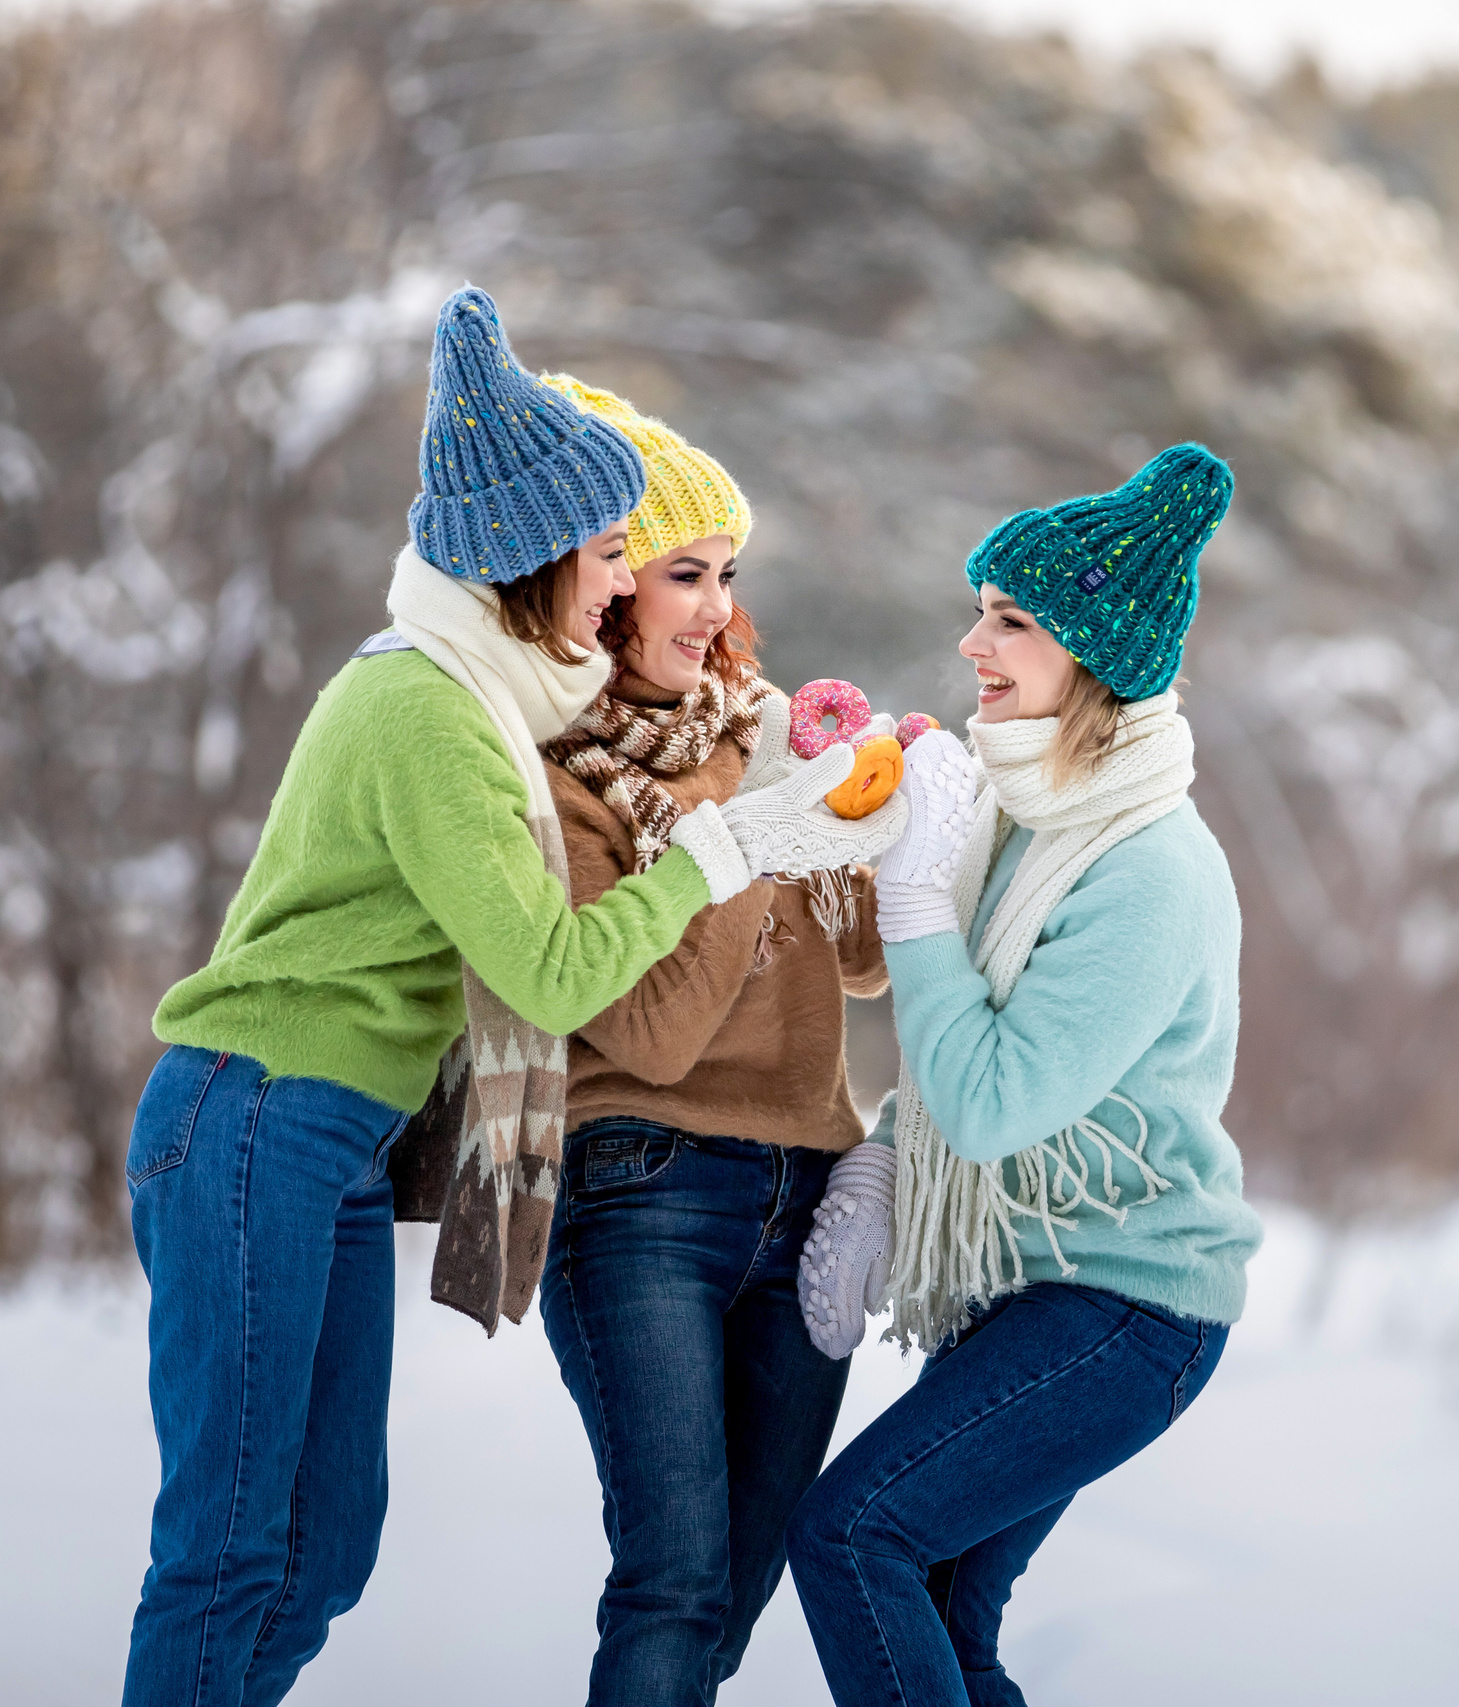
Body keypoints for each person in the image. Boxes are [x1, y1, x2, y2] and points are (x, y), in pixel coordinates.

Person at [119, 287, 889, 1707]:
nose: (627, 585)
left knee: (323, 1550)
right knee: (231, 1546)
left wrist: (805, 790)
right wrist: (727, 840)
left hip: (329, 1140)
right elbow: (552, 969)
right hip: (254, 1110)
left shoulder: (496, 702)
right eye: (613, 554)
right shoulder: (431, 711)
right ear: (537, 560)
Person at [786, 444, 1266, 1707]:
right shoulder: (1025, 819)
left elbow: (993, 1101)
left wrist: (914, 911)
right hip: (1037, 1279)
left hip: (1128, 1304)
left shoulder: (1147, 868)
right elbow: (951, 1047)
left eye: (1009, 620)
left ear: (1092, 658)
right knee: (943, 1604)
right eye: (980, 611)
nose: (970, 643)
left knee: (854, 1537)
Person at [530, 377, 892, 1707]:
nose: (718, 607)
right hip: (644, 1187)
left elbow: (856, 970)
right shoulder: (562, 777)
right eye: (683, 571)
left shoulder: (760, 720)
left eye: (729, 573)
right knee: (673, 1579)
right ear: (605, 579)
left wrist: (861, 822)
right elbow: (655, 1031)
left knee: (732, 1592)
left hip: (813, 1196)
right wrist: (749, 826)